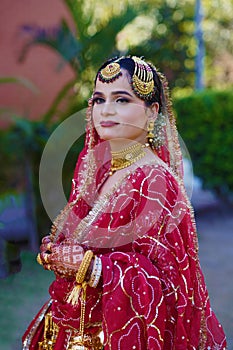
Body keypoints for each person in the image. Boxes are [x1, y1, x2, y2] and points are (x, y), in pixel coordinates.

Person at [22, 56, 227, 349]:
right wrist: (60, 253)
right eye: (98, 99)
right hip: (75, 328)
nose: (106, 110)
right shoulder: (103, 170)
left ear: (152, 112)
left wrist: (93, 268)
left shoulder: (156, 182)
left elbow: (171, 288)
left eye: (121, 100)